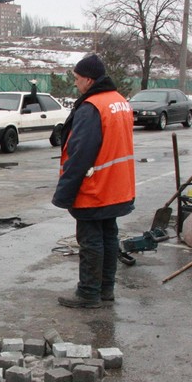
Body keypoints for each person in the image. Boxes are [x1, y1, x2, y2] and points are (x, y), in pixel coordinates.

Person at [52, 54, 136, 309]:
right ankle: (106, 289)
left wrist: (64, 193)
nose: (76, 84)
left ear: (89, 80)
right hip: (118, 186)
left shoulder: (92, 107)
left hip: (95, 186)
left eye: (77, 79)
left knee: (90, 242)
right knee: (109, 237)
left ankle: (88, 293)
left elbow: (80, 153)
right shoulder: (119, 101)